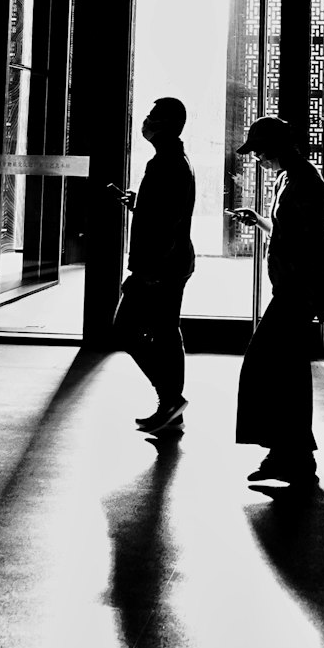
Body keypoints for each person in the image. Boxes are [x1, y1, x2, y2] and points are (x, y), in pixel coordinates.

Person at [231, 115, 324, 487]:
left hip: (298, 290)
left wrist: (318, 294)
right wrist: (259, 220)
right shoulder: (287, 178)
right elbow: (286, 230)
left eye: (259, 150)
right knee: (285, 371)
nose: (256, 158)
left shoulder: (306, 181)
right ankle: (290, 455)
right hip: (291, 289)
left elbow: (313, 243)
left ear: (275, 146)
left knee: (267, 364)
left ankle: (290, 455)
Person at [111, 96, 195, 434]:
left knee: (125, 329)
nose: (146, 122)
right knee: (165, 332)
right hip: (172, 262)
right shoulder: (174, 159)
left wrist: (150, 272)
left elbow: (169, 223)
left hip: (160, 266)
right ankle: (171, 408)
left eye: (152, 117)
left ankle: (171, 398)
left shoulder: (165, 163)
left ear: (165, 124)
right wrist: (139, 204)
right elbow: (163, 214)